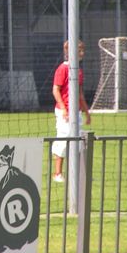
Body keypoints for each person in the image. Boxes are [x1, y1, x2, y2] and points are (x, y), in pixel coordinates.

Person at [51, 39, 91, 183]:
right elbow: (55, 90)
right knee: (63, 139)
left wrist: (86, 112)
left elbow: (80, 94)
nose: (82, 53)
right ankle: (57, 173)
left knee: (78, 141)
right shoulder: (62, 69)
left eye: (82, 50)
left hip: (76, 112)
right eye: (79, 50)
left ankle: (78, 174)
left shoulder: (78, 71)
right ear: (70, 52)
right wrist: (63, 108)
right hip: (64, 112)